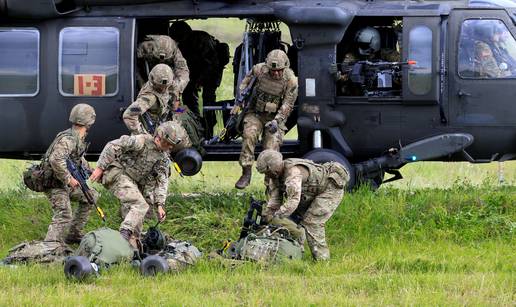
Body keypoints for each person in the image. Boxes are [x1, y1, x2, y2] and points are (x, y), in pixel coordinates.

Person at [90, 121, 185, 248]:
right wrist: (100, 168)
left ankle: (130, 249)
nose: (167, 146)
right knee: (139, 205)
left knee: (137, 223)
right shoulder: (141, 141)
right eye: (165, 142)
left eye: (170, 145)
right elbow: (113, 146)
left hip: (134, 183)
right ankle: (123, 236)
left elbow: (161, 181)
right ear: (158, 137)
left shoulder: (163, 158)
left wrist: (160, 204)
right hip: (119, 175)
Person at [255, 150, 349, 261]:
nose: (266, 175)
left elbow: (293, 201)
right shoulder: (275, 178)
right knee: (294, 221)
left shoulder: (292, 173)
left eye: (267, 172)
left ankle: (322, 260)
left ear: (274, 168)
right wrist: (267, 215)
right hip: (310, 193)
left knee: (312, 222)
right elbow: (275, 201)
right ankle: (296, 256)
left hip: (329, 188)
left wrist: (277, 216)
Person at [232, 49, 298, 189]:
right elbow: (244, 84)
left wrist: (277, 120)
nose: (275, 73)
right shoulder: (259, 70)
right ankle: (246, 171)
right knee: (249, 134)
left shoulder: (290, 80)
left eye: (279, 70)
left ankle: (271, 185)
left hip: (274, 119)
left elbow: (287, 104)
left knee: (271, 149)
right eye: (272, 70)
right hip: (255, 113)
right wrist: (241, 98)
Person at [41, 103, 98, 244]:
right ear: (90, 122)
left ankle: (74, 234)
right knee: (64, 214)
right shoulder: (68, 139)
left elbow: (77, 159)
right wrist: (68, 179)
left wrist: (92, 170)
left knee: (91, 196)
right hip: (54, 183)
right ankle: (50, 247)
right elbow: (55, 159)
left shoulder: (77, 137)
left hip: (63, 182)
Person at [169, 20, 230, 139]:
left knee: (208, 101)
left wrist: (200, 81)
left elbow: (211, 64)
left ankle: (208, 131)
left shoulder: (202, 40)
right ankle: (196, 126)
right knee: (188, 98)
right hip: (195, 72)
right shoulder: (182, 43)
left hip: (211, 72)